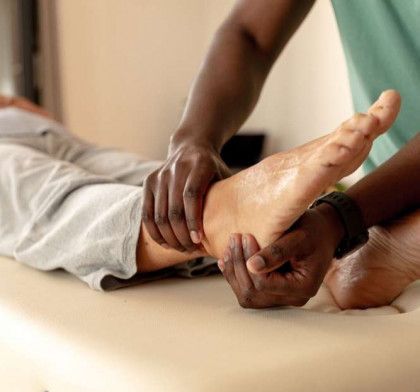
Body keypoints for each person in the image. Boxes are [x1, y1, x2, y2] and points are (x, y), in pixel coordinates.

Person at [2, 91, 415, 309]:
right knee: (50, 191)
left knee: (158, 185)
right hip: (26, 130)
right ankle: (221, 216)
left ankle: (222, 211)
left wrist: (190, 143)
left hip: (38, 130)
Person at [140, 1, 420, 308]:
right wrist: (192, 140)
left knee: (108, 204)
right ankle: (227, 211)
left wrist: (340, 217)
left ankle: (221, 218)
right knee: (117, 175)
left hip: (379, 195)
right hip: (385, 190)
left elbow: (250, 34)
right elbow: (249, 33)